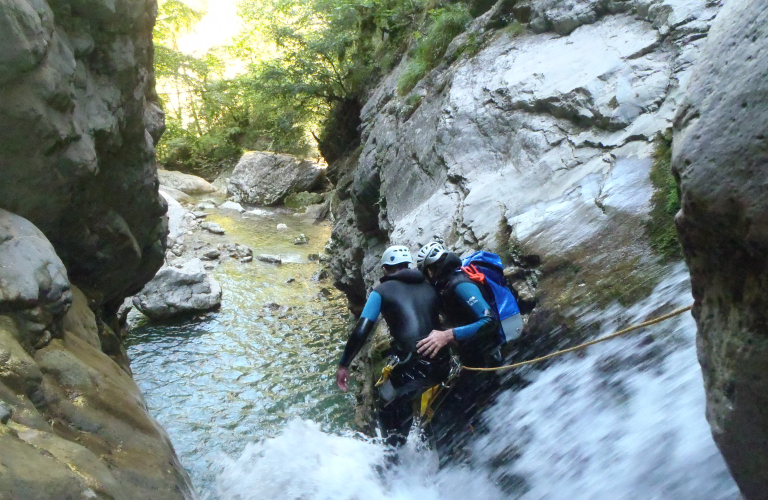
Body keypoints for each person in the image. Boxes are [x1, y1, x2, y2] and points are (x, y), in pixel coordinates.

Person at [336, 245, 449, 446]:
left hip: (415, 368)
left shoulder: (381, 291)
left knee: (387, 402)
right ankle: (425, 438)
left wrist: (344, 364)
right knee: (414, 394)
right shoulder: (429, 286)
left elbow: (362, 329)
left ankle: (393, 457)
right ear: (408, 265)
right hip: (443, 363)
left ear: (385, 269)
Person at [414, 241, 503, 462]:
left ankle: (467, 465)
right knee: (449, 414)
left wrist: (449, 335)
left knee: (449, 415)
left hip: (486, 362)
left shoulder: (460, 284)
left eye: (426, 272)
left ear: (432, 269)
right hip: (473, 360)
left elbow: (489, 320)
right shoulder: (446, 285)